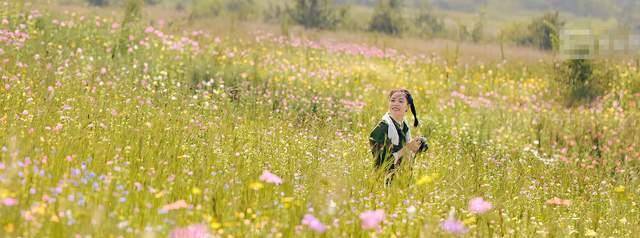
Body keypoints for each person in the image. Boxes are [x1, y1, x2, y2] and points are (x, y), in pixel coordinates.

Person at [369, 89, 426, 185]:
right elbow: (383, 162)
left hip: (402, 178)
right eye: (392, 100)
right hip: (384, 182)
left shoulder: (404, 126)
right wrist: (408, 148)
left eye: (400, 101)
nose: (395, 103)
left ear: (407, 107)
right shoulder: (382, 128)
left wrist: (417, 147)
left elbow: (405, 152)